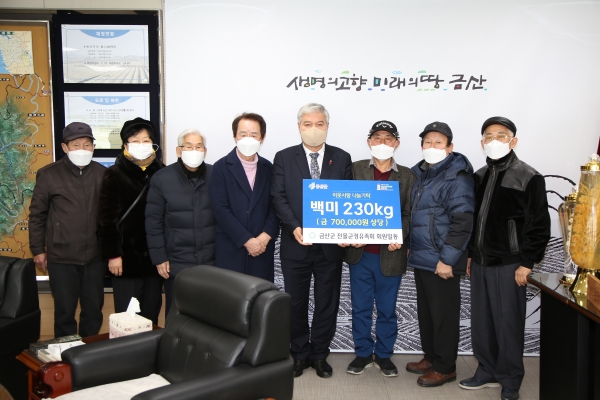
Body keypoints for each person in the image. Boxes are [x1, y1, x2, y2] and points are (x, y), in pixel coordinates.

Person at [459, 117, 550, 400]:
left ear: (513, 141)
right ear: (482, 142)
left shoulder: (529, 176)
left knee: (507, 322)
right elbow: (474, 220)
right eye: (489, 135)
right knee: (482, 322)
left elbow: (539, 225)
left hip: (510, 264)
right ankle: (486, 370)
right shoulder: (479, 176)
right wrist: (471, 254)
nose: (494, 140)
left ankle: (510, 378)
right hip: (481, 262)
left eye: (501, 135)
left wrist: (527, 262)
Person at [271, 103, 352, 378]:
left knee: (326, 303)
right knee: (295, 303)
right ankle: (299, 354)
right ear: (299, 127)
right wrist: (293, 226)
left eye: (319, 124)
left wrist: (344, 232)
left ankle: (319, 354)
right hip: (296, 245)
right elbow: (278, 196)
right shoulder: (284, 157)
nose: (313, 129)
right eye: (308, 124)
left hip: (330, 248)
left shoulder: (342, 157)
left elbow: (346, 198)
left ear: (327, 126)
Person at [343, 120, 415, 377]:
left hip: (391, 255)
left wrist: (399, 234)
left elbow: (408, 213)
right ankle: (363, 353)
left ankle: (384, 354)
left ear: (396, 143)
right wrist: (350, 233)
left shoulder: (407, 175)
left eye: (388, 138)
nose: (382, 143)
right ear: (369, 142)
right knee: (360, 307)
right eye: (377, 138)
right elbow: (342, 204)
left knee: (387, 309)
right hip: (360, 254)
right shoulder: (354, 169)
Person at [405, 122, 475, 387]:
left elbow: (462, 221)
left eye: (438, 142)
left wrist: (448, 259)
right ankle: (432, 357)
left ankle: (445, 367)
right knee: (428, 313)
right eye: (427, 142)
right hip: (422, 257)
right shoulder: (420, 174)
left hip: (442, 259)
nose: (431, 146)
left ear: (449, 147)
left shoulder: (457, 177)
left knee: (444, 315)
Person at [29, 122, 107, 338]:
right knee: (64, 312)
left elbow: (110, 216)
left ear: (93, 147)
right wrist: (38, 249)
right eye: (76, 145)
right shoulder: (48, 174)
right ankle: (65, 353)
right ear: (65, 147)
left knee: (93, 311)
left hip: (95, 257)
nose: (82, 149)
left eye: (87, 144)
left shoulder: (103, 174)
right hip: (61, 256)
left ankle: (88, 352)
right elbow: (37, 215)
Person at [97, 117, 163, 325]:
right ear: (125, 145)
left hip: (154, 260)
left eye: (146, 140)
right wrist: (113, 255)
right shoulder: (113, 174)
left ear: (153, 144)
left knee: (151, 315)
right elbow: (106, 219)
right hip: (125, 260)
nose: (141, 145)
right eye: (135, 141)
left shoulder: (162, 173)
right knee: (127, 319)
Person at [145, 128, 215, 315]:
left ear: (205, 151)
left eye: (198, 147)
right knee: (177, 315)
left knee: (209, 316)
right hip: (177, 263)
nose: (194, 151)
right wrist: (159, 257)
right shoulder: (162, 178)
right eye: (189, 146)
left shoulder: (215, 175)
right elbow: (153, 222)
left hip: (211, 262)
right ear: (178, 150)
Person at [209, 113, 279, 281]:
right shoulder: (220, 167)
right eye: (243, 134)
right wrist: (247, 240)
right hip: (232, 247)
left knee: (261, 295)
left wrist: (264, 237)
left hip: (262, 249)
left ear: (262, 138)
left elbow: (276, 205)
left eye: (254, 134)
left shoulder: (269, 168)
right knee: (230, 295)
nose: (248, 139)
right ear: (235, 137)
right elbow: (220, 209)